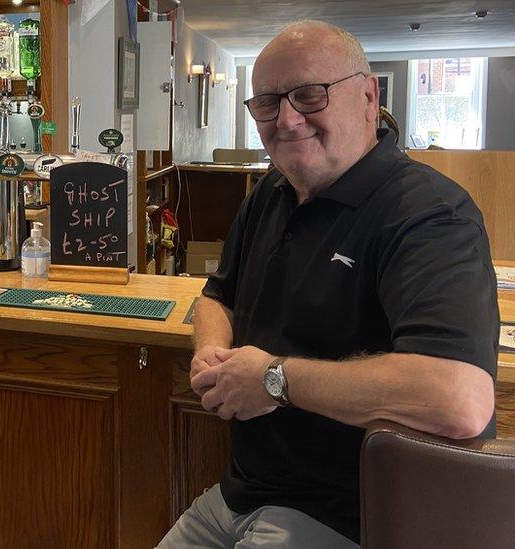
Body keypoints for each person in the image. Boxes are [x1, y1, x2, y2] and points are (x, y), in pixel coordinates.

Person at [158, 20, 498, 548]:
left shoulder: (431, 214)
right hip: (235, 498)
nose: (288, 120)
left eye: (309, 95)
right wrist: (213, 353)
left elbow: (458, 400)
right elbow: (216, 296)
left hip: (348, 518)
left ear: (368, 95)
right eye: (267, 102)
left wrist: (274, 379)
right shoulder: (272, 190)